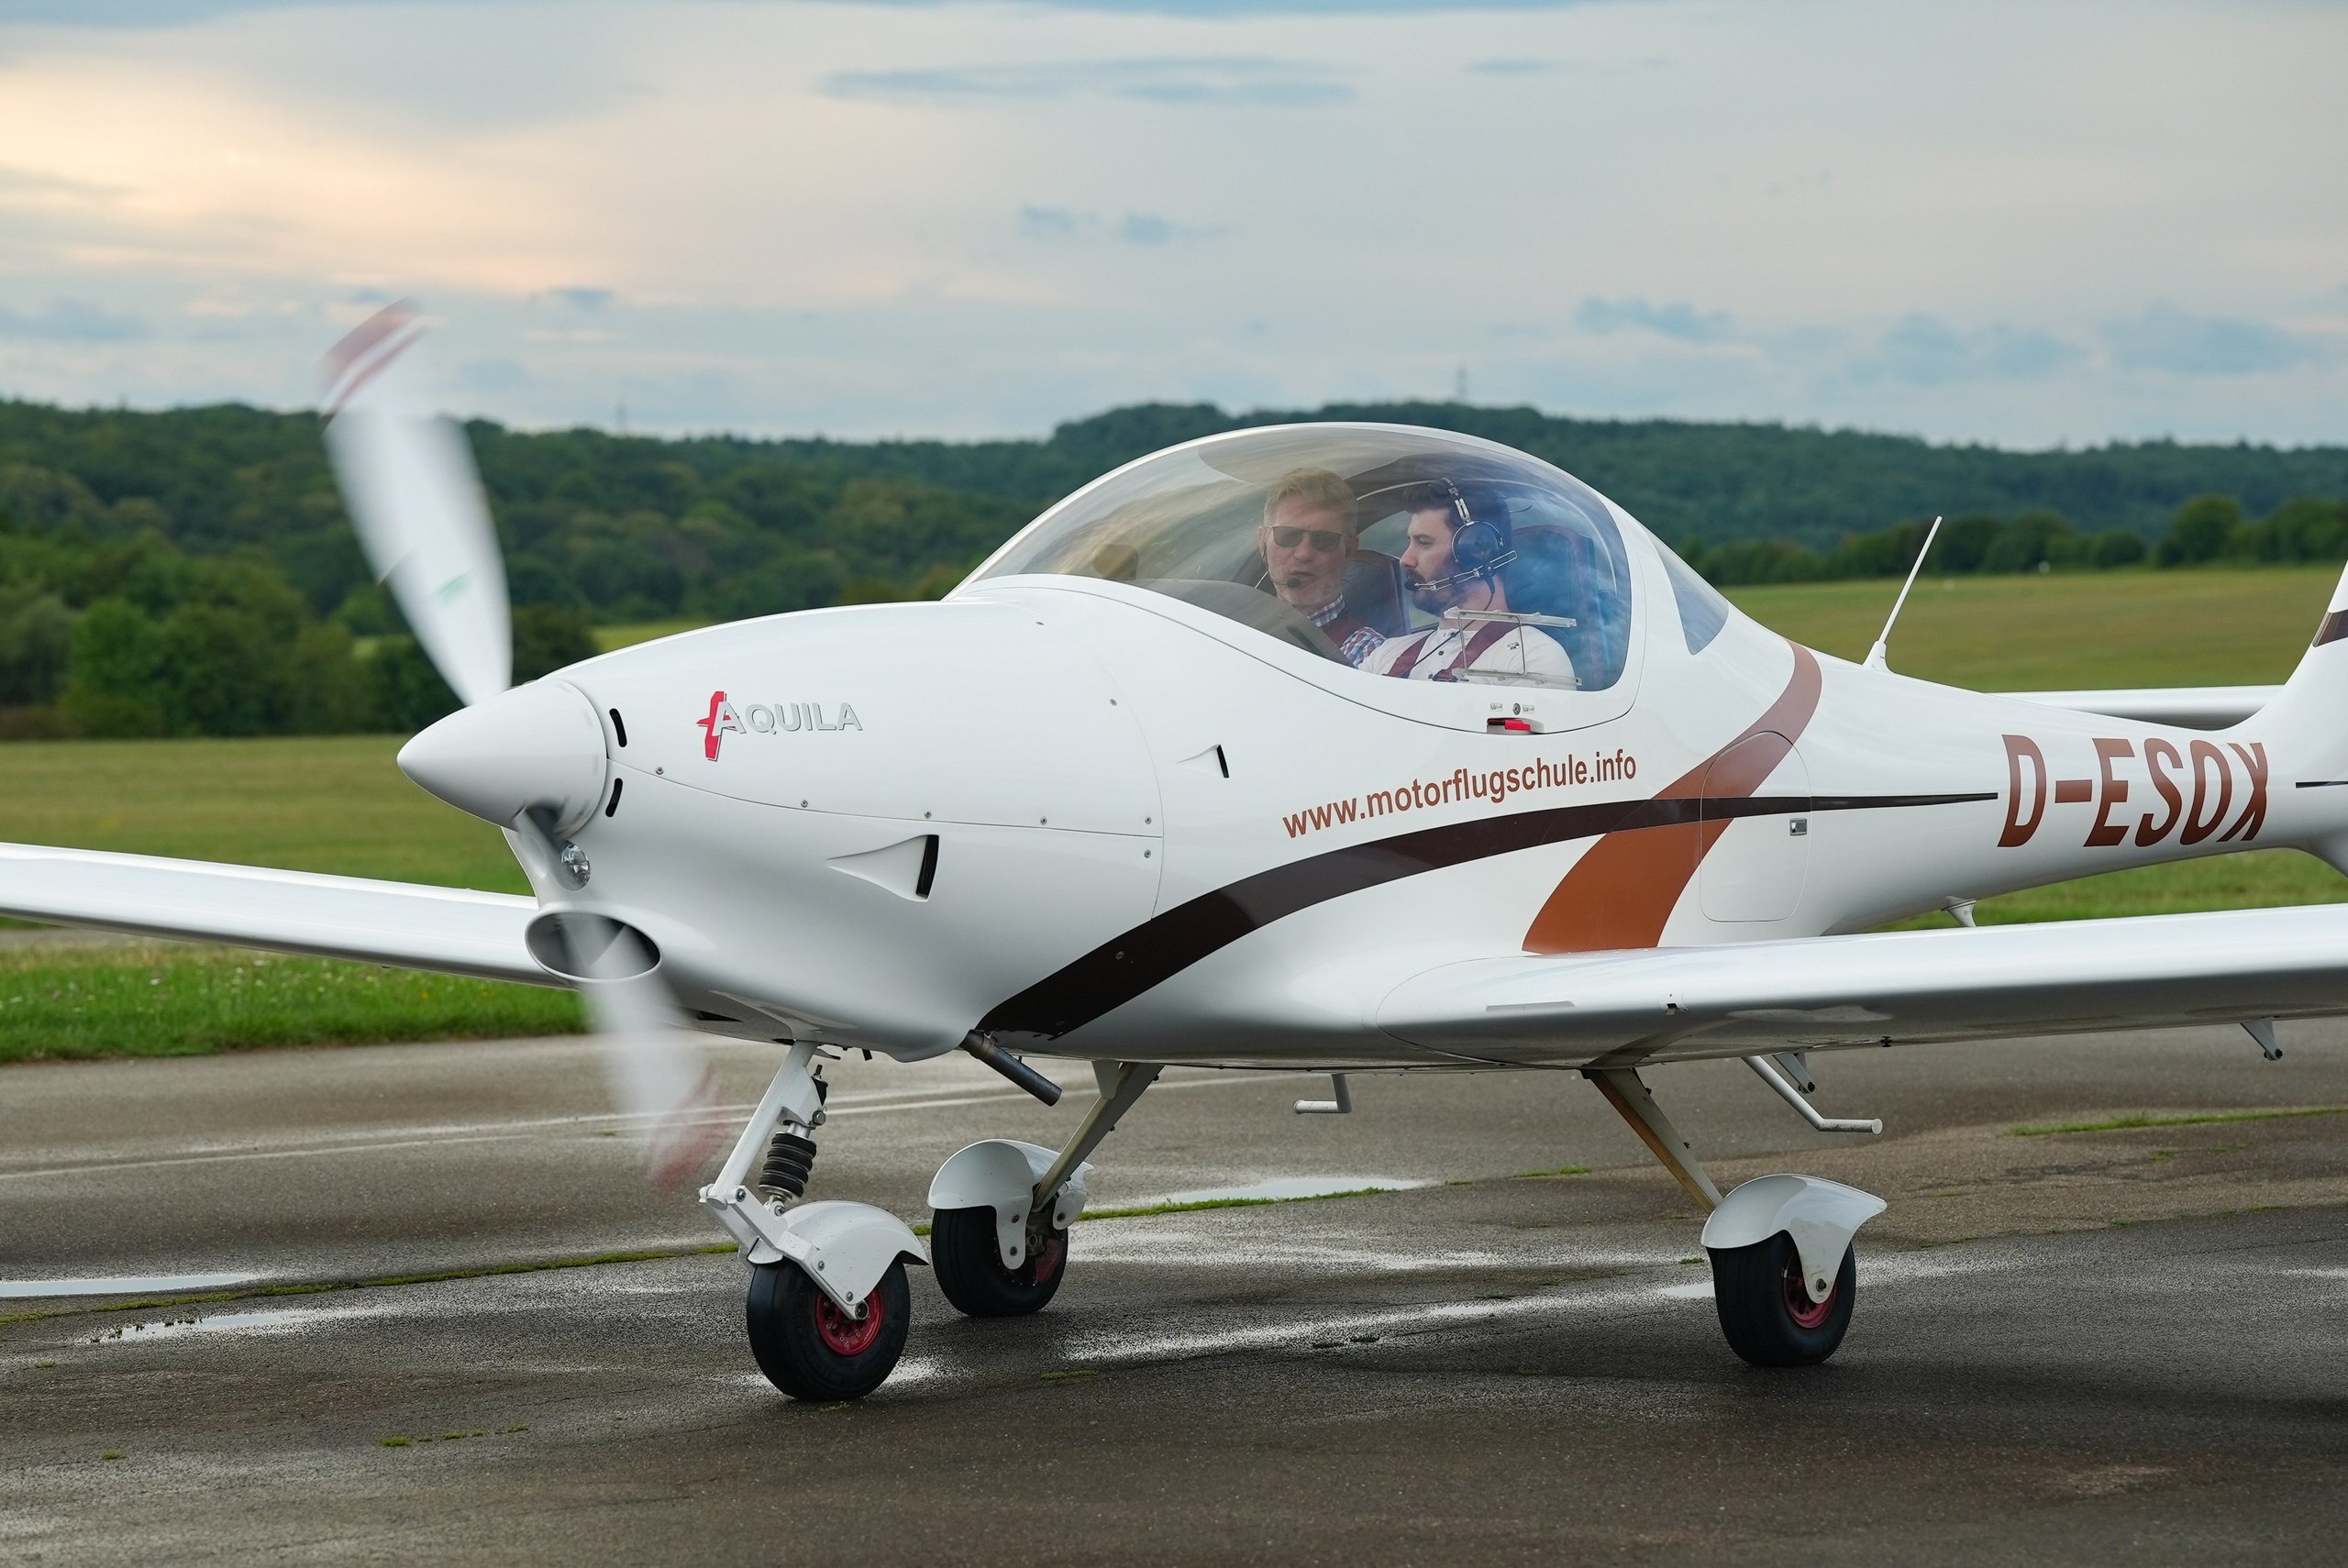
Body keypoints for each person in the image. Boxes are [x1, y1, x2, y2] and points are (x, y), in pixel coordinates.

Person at [1362, 481, 1576, 685]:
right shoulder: (1386, 655)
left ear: (1474, 552)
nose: (1405, 560)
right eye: (1411, 542)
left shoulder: (1529, 658)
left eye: (1424, 543)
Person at [1256, 468, 1384, 668]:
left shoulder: (1369, 657)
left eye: (1324, 540)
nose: (1304, 553)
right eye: (1288, 535)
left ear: (1349, 551)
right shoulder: (1235, 629)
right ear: (1262, 542)